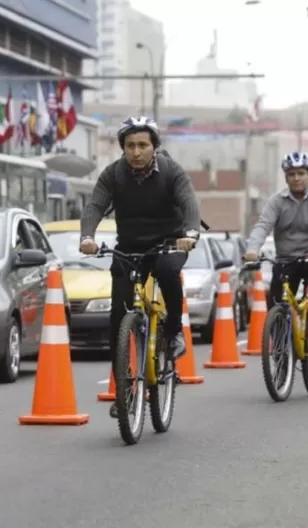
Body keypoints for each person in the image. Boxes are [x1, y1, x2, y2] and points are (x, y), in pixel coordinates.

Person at [77, 116, 202, 417]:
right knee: (118, 317)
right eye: (130, 145)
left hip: (169, 242)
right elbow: (95, 206)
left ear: (154, 146)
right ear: (123, 148)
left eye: (143, 145)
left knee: (166, 270)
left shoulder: (172, 172)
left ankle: (172, 333)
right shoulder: (113, 174)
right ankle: (124, 390)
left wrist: (190, 234)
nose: (136, 151)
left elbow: (189, 205)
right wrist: (87, 236)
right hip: (129, 246)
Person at [243, 151, 308, 338]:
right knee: (276, 302)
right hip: (286, 259)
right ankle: (280, 353)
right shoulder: (276, 202)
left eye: (301, 173)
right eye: (291, 175)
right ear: (286, 178)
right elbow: (263, 226)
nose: (296, 178)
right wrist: (252, 250)